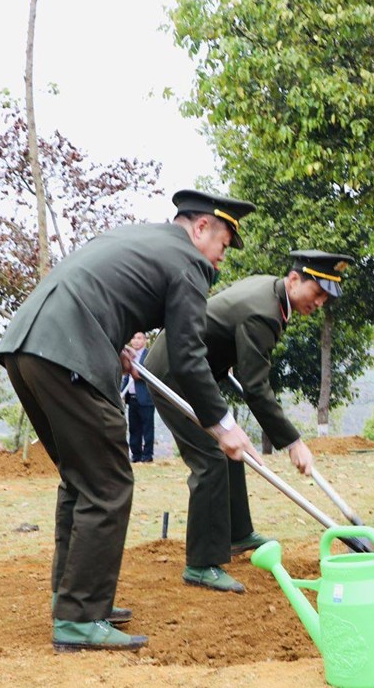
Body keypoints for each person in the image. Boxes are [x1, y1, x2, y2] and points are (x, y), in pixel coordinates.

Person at [0, 189, 261, 652]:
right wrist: (221, 424)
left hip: (27, 347)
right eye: (222, 244)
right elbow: (188, 355)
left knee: (82, 480)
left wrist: (112, 344)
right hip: (65, 353)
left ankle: (73, 598)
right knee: (108, 484)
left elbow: (96, 292)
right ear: (201, 228)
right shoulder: (188, 263)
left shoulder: (140, 238)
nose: (220, 259)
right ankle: (79, 617)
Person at [146, 250, 354, 593]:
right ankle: (201, 564)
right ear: (294, 280)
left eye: (325, 298)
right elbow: (256, 387)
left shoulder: (272, 293)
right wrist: (293, 442)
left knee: (232, 445)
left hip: (196, 371)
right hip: (172, 373)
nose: (318, 303)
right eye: (316, 293)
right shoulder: (265, 312)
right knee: (211, 457)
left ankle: (237, 533)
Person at [120, 332, 156, 463]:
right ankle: (135, 456)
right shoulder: (129, 355)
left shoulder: (149, 355)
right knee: (134, 428)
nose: (135, 341)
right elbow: (126, 375)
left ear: (145, 340)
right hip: (132, 398)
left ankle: (147, 456)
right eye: (133, 338)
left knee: (147, 428)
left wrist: (139, 374)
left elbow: (153, 373)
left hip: (146, 397)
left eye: (139, 338)